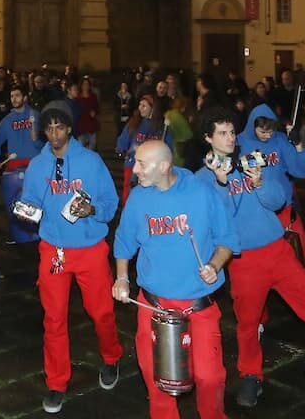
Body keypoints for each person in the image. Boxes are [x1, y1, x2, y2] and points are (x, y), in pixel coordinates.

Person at [195, 113, 305, 407]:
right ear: (208, 138)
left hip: (277, 250)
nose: (231, 138)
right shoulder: (203, 179)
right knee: (248, 322)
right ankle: (251, 374)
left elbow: (277, 201)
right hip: (244, 260)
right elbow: (215, 221)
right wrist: (222, 184)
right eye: (222, 133)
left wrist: (260, 182)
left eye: (232, 131)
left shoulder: (250, 161)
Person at [113, 140, 238, 419]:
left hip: (198, 305)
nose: (135, 170)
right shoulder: (138, 198)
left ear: (164, 165)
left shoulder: (201, 193)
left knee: (210, 377)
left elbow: (227, 241)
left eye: (142, 164)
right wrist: (122, 278)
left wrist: (215, 266)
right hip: (153, 307)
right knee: (157, 380)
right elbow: (123, 241)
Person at [17, 101, 121, 413]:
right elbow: (31, 199)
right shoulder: (37, 165)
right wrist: (27, 211)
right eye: (48, 127)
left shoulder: (90, 161)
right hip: (54, 250)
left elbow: (110, 200)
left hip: (89, 249)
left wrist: (93, 210)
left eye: (59, 126)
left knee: (101, 311)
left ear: (70, 128)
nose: (53, 133)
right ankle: (57, 381)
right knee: (54, 318)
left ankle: (112, 356)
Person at [236, 103, 305, 275]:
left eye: (270, 131)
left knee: (303, 259)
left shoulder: (280, 140)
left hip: (283, 211)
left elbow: (302, 170)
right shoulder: (238, 143)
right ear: (253, 126)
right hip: (254, 215)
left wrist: (298, 145)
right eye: (262, 131)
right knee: (259, 267)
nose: (267, 136)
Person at [0, 84, 42, 243]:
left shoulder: (36, 115)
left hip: (34, 163)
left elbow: (47, 142)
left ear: (24, 97)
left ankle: (40, 233)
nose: (14, 99)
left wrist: (37, 139)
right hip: (14, 165)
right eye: (12, 96)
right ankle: (19, 234)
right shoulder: (7, 121)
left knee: (37, 201)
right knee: (13, 202)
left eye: (17, 95)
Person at [116, 95, 169, 204]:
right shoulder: (134, 123)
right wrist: (122, 150)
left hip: (152, 167)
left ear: (152, 108)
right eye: (140, 105)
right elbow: (123, 141)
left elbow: (168, 146)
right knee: (130, 192)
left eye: (144, 106)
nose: (140, 108)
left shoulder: (161, 127)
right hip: (133, 165)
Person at [75, 79, 100, 150]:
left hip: (91, 123)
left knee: (93, 143)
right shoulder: (78, 97)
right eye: (84, 84)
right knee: (81, 144)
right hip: (81, 124)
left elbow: (97, 108)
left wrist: (94, 112)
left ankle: (89, 158)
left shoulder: (93, 96)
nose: (85, 86)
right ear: (81, 86)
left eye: (87, 84)